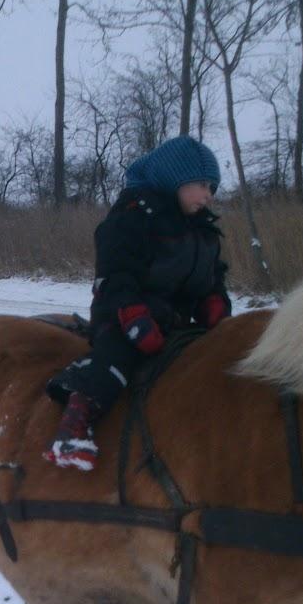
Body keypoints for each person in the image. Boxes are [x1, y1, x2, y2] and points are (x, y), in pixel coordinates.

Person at [44, 135, 232, 472]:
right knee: (118, 356)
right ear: (175, 181)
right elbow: (116, 276)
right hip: (124, 315)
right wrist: (132, 316)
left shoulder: (203, 231)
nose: (208, 194)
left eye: (212, 187)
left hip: (177, 322)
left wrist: (216, 302)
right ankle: (76, 422)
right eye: (201, 184)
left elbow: (213, 275)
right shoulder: (133, 218)